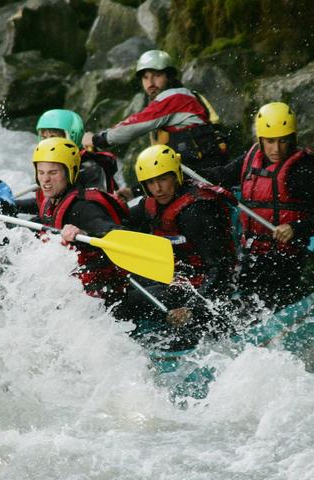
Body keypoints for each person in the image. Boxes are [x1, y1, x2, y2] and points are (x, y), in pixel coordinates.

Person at [200, 102, 314, 310]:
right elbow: (221, 175)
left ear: (292, 139)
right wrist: (182, 172)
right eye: (270, 141)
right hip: (253, 255)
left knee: (265, 304)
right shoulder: (251, 158)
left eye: (283, 141)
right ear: (261, 140)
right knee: (238, 302)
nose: (276, 149)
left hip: (287, 259)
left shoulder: (302, 170)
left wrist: (295, 228)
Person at [121, 144, 237, 334]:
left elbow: (221, 269)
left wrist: (192, 308)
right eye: (151, 183)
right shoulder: (152, 203)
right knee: (119, 285)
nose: (158, 189)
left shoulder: (196, 212)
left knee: (129, 300)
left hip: (201, 286)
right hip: (177, 277)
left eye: (163, 179)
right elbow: (119, 221)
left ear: (176, 176)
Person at [15, 137, 130, 302]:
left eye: (53, 172)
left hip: (103, 297)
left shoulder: (84, 208)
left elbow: (120, 235)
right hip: (70, 289)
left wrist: (84, 234)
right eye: (41, 172)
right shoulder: (51, 203)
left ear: (70, 172)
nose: (45, 179)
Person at [82, 49, 229, 176]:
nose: (150, 83)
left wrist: (98, 139)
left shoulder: (176, 98)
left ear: (169, 77)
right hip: (195, 174)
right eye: (145, 77)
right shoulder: (184, 97)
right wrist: (135, 191)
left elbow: (133, 126)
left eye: (157, 75)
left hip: (204, 175)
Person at [36, 108, 123, 195]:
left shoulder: (89, 168)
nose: (47, 143)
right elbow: (48, 201)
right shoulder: (54, 166)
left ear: (73, 136)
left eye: (53, 137)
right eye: (44, 138)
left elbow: (93, 204)